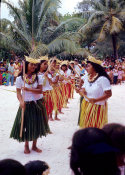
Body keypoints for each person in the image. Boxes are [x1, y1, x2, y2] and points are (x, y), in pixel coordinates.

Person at [10, 56, 50, 154]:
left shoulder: (39, 77)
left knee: (37, 124)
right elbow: (18, 93)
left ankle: (34, 146)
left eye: (35, 65)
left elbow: (40, 91)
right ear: (26, 65)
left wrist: (30, 89)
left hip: (37, 103)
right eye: (31, 64)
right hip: (26, 104)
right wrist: (21, 102)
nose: (34, 66)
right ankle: (26, 145)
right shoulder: (20, 78)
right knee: (26, 124)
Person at [77, 56, 112, 128]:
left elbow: (109, 94)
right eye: (86, 66)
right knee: (87, 125)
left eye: (88, 66)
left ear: (95, 67)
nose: (86, 68)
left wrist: (96, 100)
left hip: (97, 106)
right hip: (86, 104)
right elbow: (84, 92)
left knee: (95, 126)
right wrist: (80, 91)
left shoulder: (102, 79)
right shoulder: (87, 78)